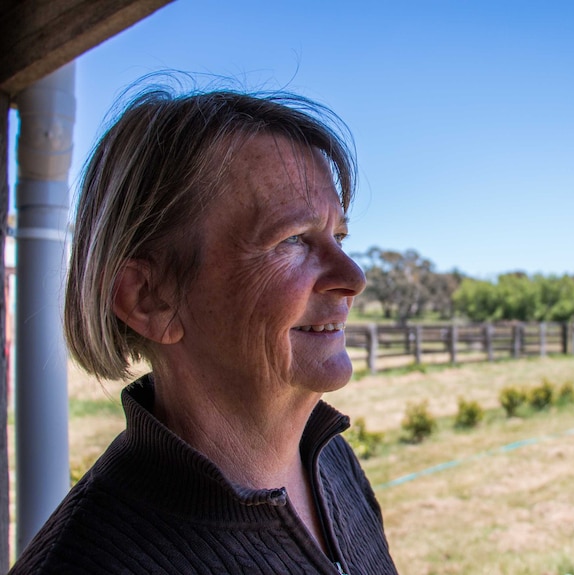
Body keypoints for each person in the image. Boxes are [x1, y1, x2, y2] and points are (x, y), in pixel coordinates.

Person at [10, 84, 399, 574]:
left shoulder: (330, 461)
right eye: (294, 239)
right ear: (149, 299)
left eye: (338, 236)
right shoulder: (87, 563)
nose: (353, 278)